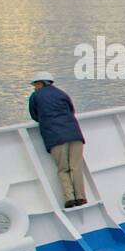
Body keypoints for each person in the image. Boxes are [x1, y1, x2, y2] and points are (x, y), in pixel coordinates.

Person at [28, 71, 88, 207]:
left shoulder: (35, 96)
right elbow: (71, 110)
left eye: (35, 84)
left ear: (40, 83)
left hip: (54, 136)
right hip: (74, 134)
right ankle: (81, 197)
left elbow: (34, 115)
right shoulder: (62, 94)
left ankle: (69, 198)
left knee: (63, 169)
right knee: (76, 167)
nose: (34, 87)